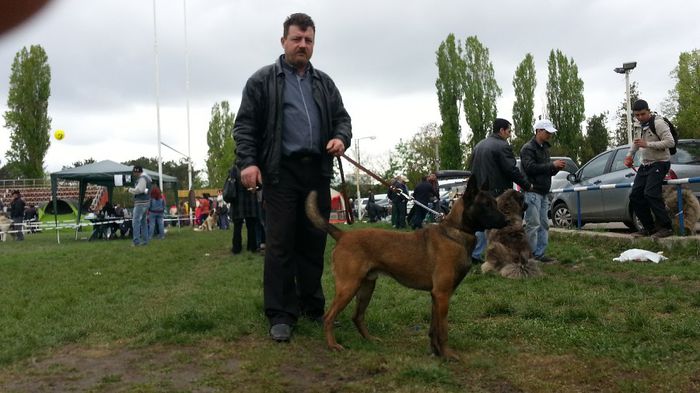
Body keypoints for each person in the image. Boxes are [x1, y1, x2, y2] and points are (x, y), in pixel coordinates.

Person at [233, 13, 352, 342]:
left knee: (314, 241)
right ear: (283, 40)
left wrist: (341, 137)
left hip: (317, 171)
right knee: (281, 242)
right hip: (279, 172)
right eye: (297, 38)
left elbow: (342, 119)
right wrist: (248, 163)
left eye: (308, 40)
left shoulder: (324, 83)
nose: (303, 45)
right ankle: (281, 313)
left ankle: (312, 306)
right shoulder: (262, 81)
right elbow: (244, 127)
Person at [469, 118, 532, 263]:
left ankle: (474, 254)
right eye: (509, 131)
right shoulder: (502, 146)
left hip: (480, 192)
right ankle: (503, 254)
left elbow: (472, 170)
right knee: (499, 226)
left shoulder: (479, 145)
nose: (510, 135)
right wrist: (527, 185)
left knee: (480, 224)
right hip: (497, 192)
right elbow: (511, 170)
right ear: (502, 130)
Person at [624, 99, 675, 239]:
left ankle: (666, 227)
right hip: (645, 164)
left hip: (660, 163)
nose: (640, 117)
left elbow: (670, 142)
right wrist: (629, 156)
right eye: (637, 115)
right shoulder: (638, 125)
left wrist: (648, 144)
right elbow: (636, 143)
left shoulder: (658, 123)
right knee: (635, 195)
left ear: (649, 111)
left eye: (642, 114)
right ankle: (649, 228)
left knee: (651, 193)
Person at [520, 119, 566, 262]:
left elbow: (544, 170)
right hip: (533, 192)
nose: (549, 135)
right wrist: (551, 165)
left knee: (543, 224)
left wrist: (554, 169)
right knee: (533, 225)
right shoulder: (528, 148)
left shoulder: (544, 148)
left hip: (543, 191)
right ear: (538, 131)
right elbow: (530, 168)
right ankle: (530, 255)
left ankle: (539, 254)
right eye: (547, 132)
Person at [229, 167, 258, 254]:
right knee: (251, 225)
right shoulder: (251, 167)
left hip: (238, 201)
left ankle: (236, 248)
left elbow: (231, 185)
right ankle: (252, 247)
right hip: (250, 199)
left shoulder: (234, 169)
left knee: (237, 226)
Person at [127, 165, 152, 246]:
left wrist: (129, 190)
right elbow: (145, 190)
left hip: (140, 203)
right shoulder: (148, 177)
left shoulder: (142, 178)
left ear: (137, 172)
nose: (134, 174)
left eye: (134, 172)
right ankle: (145, 241)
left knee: (136, 222)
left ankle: (136, 242)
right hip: (146, 202)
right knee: (143, 222)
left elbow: (140, 190)